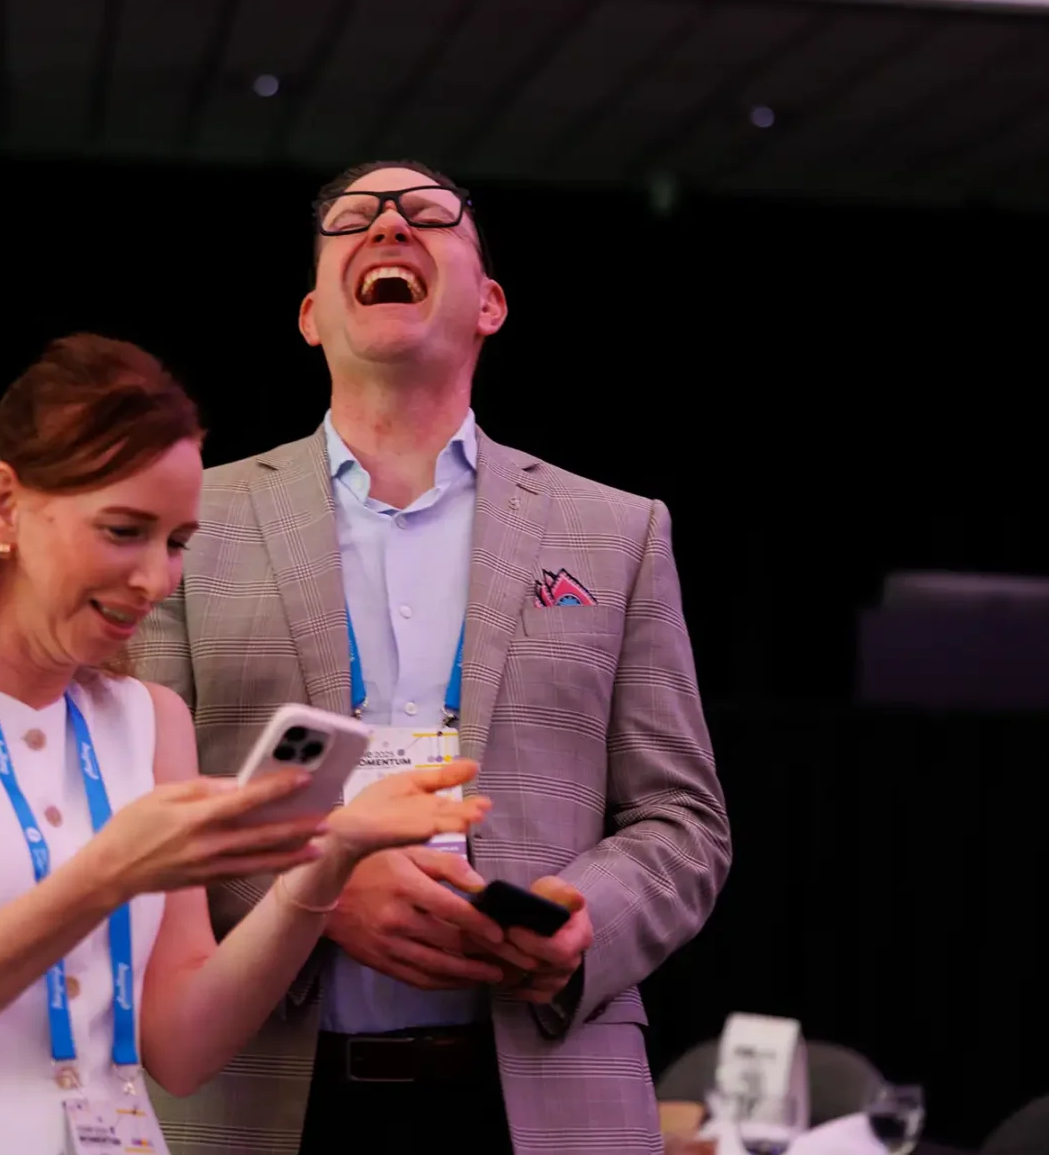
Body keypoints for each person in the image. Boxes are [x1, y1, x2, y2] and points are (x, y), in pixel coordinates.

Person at [127, 161, 732, 1155]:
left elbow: (685, 822)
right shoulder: (191, 524)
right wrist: (314, 889)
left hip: (542, 1098)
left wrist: (583, 926)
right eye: (353, 220)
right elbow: (135, 810)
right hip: (259, 1094)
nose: (388, 227)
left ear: (490, 304)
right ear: (311, 315)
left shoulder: (615, 532)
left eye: (427, 215)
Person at [0, 334, 490, 1154]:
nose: (156, 579)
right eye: (123, 531)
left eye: (177, 542)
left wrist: (320, 870)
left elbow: (181, 1049)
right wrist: (110, 872)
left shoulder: (148, 719)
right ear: (3, 504)